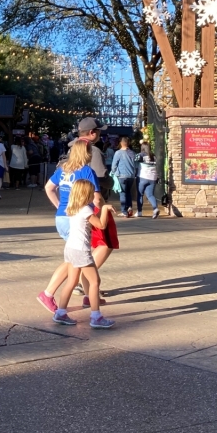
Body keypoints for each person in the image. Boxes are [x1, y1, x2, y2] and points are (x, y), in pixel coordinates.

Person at [37, 139, 105, 311]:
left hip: (62, 216)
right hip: (77, 217)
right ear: (87, 153)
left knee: (77, 257)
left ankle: (89, 296)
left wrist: (59, 205)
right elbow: (96, 198)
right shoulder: (87, 171)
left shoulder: (63, 169)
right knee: (76, 258)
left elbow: (48, 188)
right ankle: (48, 293)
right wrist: (101, 211)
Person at [51, 179, 116, 329]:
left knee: (72, 282)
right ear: (85, 194)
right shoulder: (85, 209)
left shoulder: (71, 207)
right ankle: (96, 316)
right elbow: (101, 225)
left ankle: (60, 312)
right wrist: (104, 209)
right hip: (81, 250)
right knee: (94, 282)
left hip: (70, 248)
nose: (94, 197)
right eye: (91, 193)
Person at [111, 137, 138, 217]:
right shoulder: (133, 153)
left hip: (122, 176)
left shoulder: (118, 153)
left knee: (122, 193)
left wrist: (113, 172)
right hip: (131, 176)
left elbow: (114, 165)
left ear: (121, 143)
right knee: (128, 192)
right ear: (128, 143)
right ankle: (129, 207)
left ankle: (124, 211)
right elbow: (136, 165)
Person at [137, 141, 160, 218]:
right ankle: (155, 208)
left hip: (142, 177)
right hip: (152, 178)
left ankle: (139, 212)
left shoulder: (141, 155)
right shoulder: (153, 156)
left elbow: (134, 160)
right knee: (150, 195)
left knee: (140, 194)